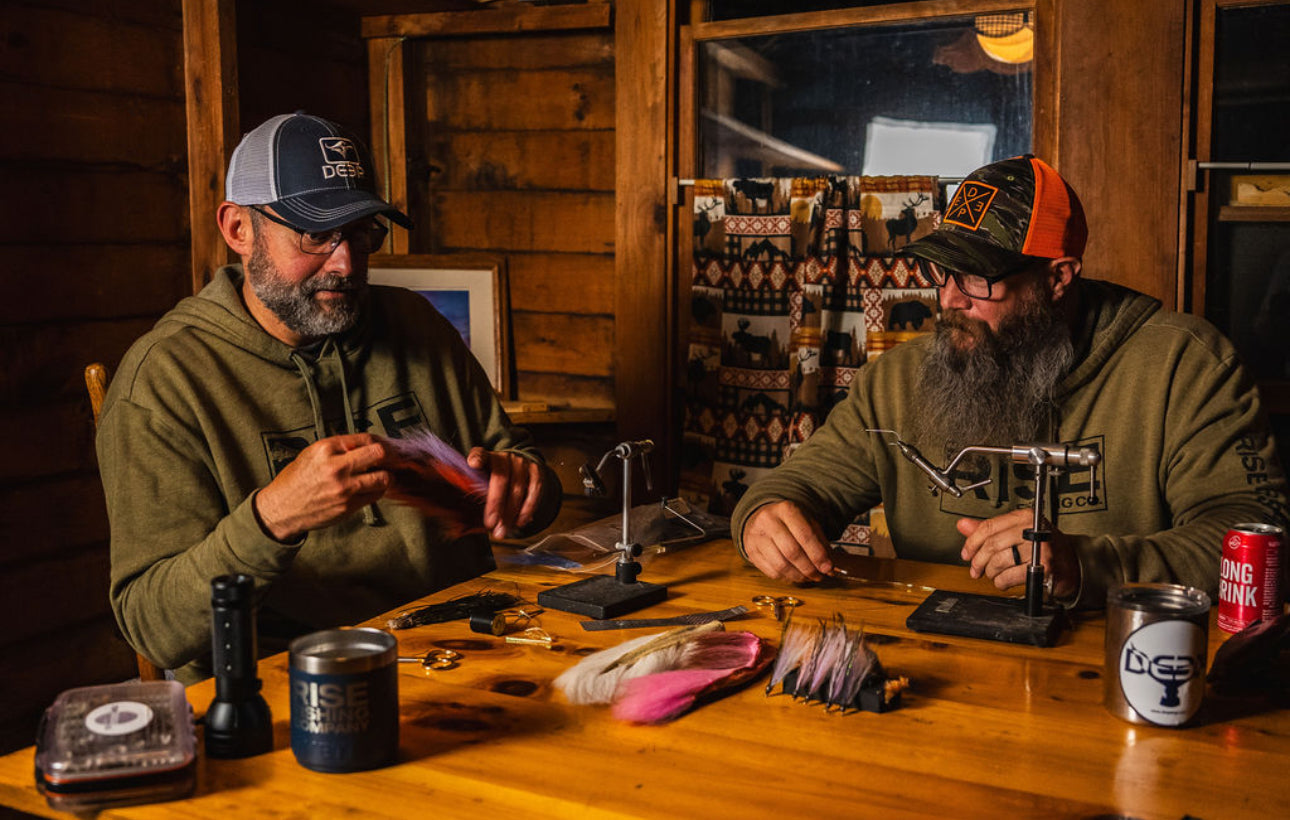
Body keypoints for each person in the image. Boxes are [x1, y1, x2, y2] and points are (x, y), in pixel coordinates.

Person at [99, 112, 561, 683]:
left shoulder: (415, 324)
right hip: (284, 688)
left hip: (463, 653)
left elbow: (522, 477)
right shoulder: (164, 382)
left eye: (362, 231)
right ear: (239, 229)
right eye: (317, 234)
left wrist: (525, 490)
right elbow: (154, 627)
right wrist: (271, 521)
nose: (346, 263)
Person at [733, 155, 1288, 609]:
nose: (950, 300)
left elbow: (1258, 539)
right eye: (941, 272)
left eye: (977, 278)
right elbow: (799, 487)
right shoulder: (897, 381)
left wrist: (1087, 566)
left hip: (1110, 661)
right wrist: (766, 516)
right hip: (933, 671)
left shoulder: (1185, 366)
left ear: (1057, 279)